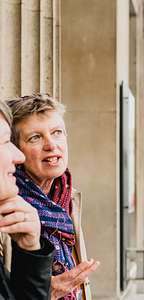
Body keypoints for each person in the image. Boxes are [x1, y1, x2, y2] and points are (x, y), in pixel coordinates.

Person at [4, 95, 99, 300]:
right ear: (15, 151)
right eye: (35, 137)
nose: (51, 145)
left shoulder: (66, 196)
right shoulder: (8, 208)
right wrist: (43, 291)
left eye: (57, 133)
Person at [0, 100, 54, 299]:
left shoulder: (69, 200)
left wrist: (31, 251)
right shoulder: (9, 213)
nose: (18, 156)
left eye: (58, 132)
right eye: (6, 142)